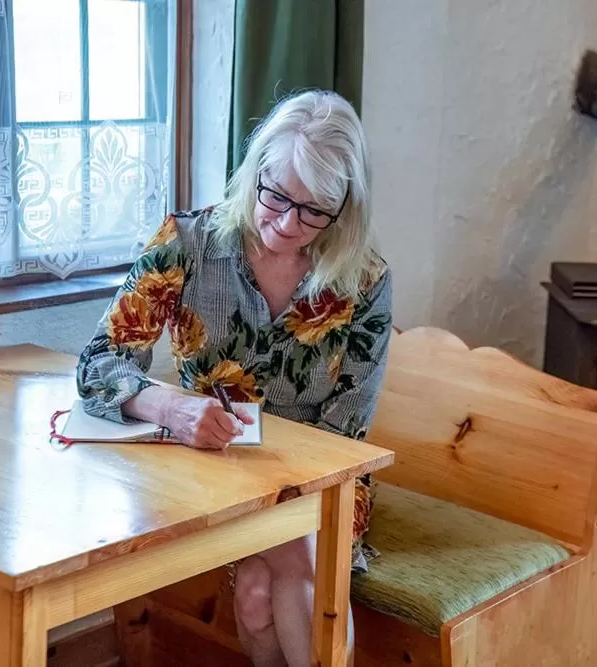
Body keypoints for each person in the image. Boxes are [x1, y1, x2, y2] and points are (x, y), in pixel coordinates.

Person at [75, 89, 392, 667]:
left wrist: (279, 496)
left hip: (325, 483)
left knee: (266, 583)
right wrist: (169, 408)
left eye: (314, 211)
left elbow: (347, 430)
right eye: (277, 196)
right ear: (256, 172)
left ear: (344, 208)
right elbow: (99, 362)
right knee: (262, 587)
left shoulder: (364, 280)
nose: (288, 224)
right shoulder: (187, 245)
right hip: (214, 474)